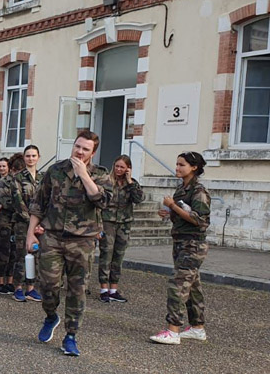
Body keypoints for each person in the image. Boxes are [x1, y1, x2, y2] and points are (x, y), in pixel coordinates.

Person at [27, 131, 112, 357]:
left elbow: (102, 201)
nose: (79, 151)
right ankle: (51, 316)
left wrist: (84, 175)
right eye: (77, 146)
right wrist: (30, 234)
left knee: (77, 290)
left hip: (82, 241)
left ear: (93, 153)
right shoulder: (55, 170)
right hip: (53, 237)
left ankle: (71, 335)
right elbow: (39, 203)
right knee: (48, 285)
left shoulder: (101, 174)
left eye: (85, 149)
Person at [149, 152, 211, 346]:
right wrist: (168, 212)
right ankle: (197, 328)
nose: (177, 168)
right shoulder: (181, 189)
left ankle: (173, 330)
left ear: (193, 167)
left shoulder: (198, 191)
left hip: (193, 244)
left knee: (177, 285)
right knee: (192, 286)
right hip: (181, 241)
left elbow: (200, 221)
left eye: (181, 165)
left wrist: (173, 207)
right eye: (176, 164)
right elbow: (182, 214)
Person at [98, 155, 144, 303]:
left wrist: (130, 181)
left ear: (128, 169)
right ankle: (104, 289)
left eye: (122, 167)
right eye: (117, 166)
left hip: (124, 224)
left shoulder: (131, 184)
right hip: (108, 222)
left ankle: (114, 289)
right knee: (106, 255)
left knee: (118, 256)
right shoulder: (106, 181)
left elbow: (139, 199)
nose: (118, 169)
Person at [11, 145, 43, 302]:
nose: (31, 159)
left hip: (40, 226)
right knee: (21, 255)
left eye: (33, 156)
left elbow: (48, 201)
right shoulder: (17, 178)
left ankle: (31, 288)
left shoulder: (43, 178)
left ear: (38, 157)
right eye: (28, 156)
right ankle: (18, 287)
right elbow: (18, 202)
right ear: (24, 158)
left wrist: (41, 223)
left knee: (35, 256)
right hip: (23, 223)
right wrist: (31, 222)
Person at [0, 154, 22, 296]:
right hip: (4, 222)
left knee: (14, 253)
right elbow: (6, 202)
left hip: (18, 221)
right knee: (3, 252)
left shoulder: (23, 181)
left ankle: (10, 282)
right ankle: (0, 282)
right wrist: (22, 207)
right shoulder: (4, 182)